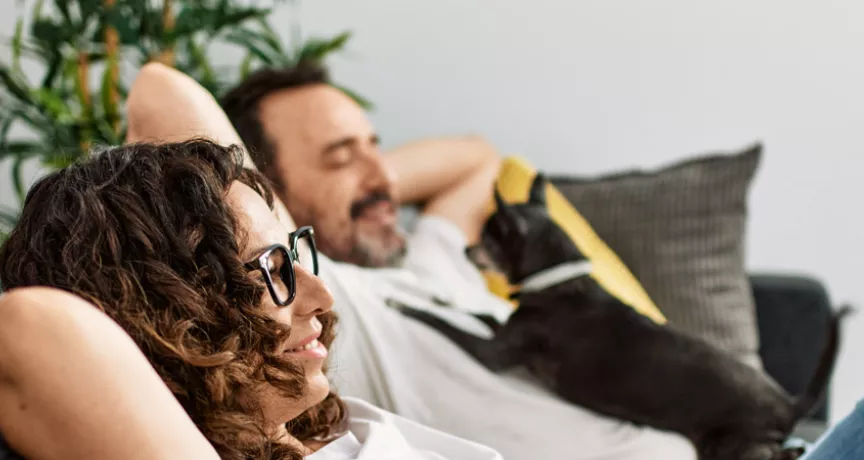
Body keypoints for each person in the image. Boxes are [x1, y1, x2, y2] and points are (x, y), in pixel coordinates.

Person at [213, 63, 698, 459]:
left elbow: (478, 160)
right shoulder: (333, 306)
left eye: (375, 147)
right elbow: (159, 91)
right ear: (265, 191)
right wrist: (271, 215)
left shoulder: (427, 267)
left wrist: (370, 184)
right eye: (341, 157)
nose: (384, 178)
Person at [0, 139, 503, 460]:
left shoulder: (325, 421)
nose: (323, 297)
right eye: (271, 270)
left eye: (296, 256)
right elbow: (31, 325)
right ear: (170, 312)